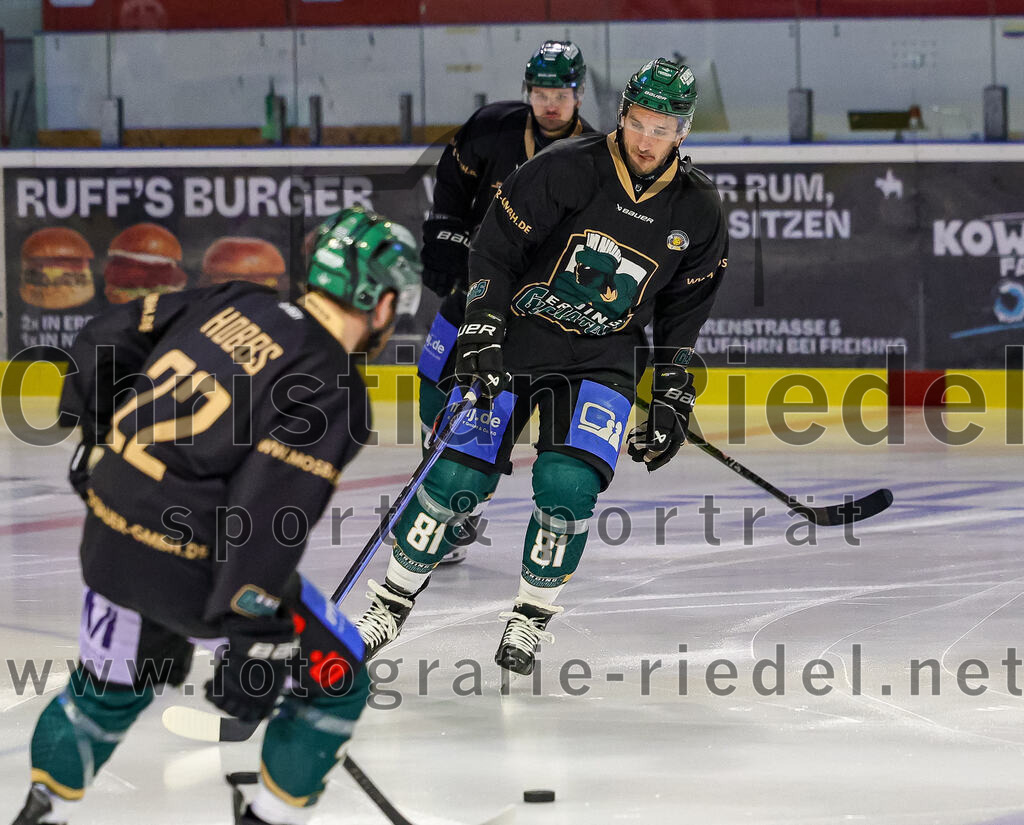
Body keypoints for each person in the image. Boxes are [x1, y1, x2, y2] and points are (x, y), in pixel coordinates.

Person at [12, 208, 422, 825]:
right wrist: (254, 637)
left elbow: (103, 336)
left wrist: (97, 436)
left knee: (107, 688)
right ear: (380, 302)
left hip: (107, 538)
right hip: (194, 570)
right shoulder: (331, 382)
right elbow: (264, 517)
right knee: (341, 676)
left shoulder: (235, 299)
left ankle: (40, 812)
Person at [354, 58, 729, 676]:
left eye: (662, 129)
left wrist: (671, 394)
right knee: (454, 482)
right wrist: (478, 333)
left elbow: (683, 314)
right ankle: (389, 604)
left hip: (602, 362)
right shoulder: (565, 168)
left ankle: (530, 617)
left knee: (567, 489)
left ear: (682, 133)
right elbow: (493, 250)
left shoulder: (698, 210)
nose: (645, 140)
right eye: (638, 122)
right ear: (624, 115)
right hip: (517, 346)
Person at [417, 39, 595, 565]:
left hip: (534, 306)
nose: (550, 104)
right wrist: (444, 240)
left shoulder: (597, 156)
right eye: (540, 92)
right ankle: (444, 497)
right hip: (474, 286)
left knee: (486, 403)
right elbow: (450, 191)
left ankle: (458, 506)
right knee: (433, 389)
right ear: (528, 93)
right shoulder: (491, 129)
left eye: (560, 92)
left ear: (578, 94)